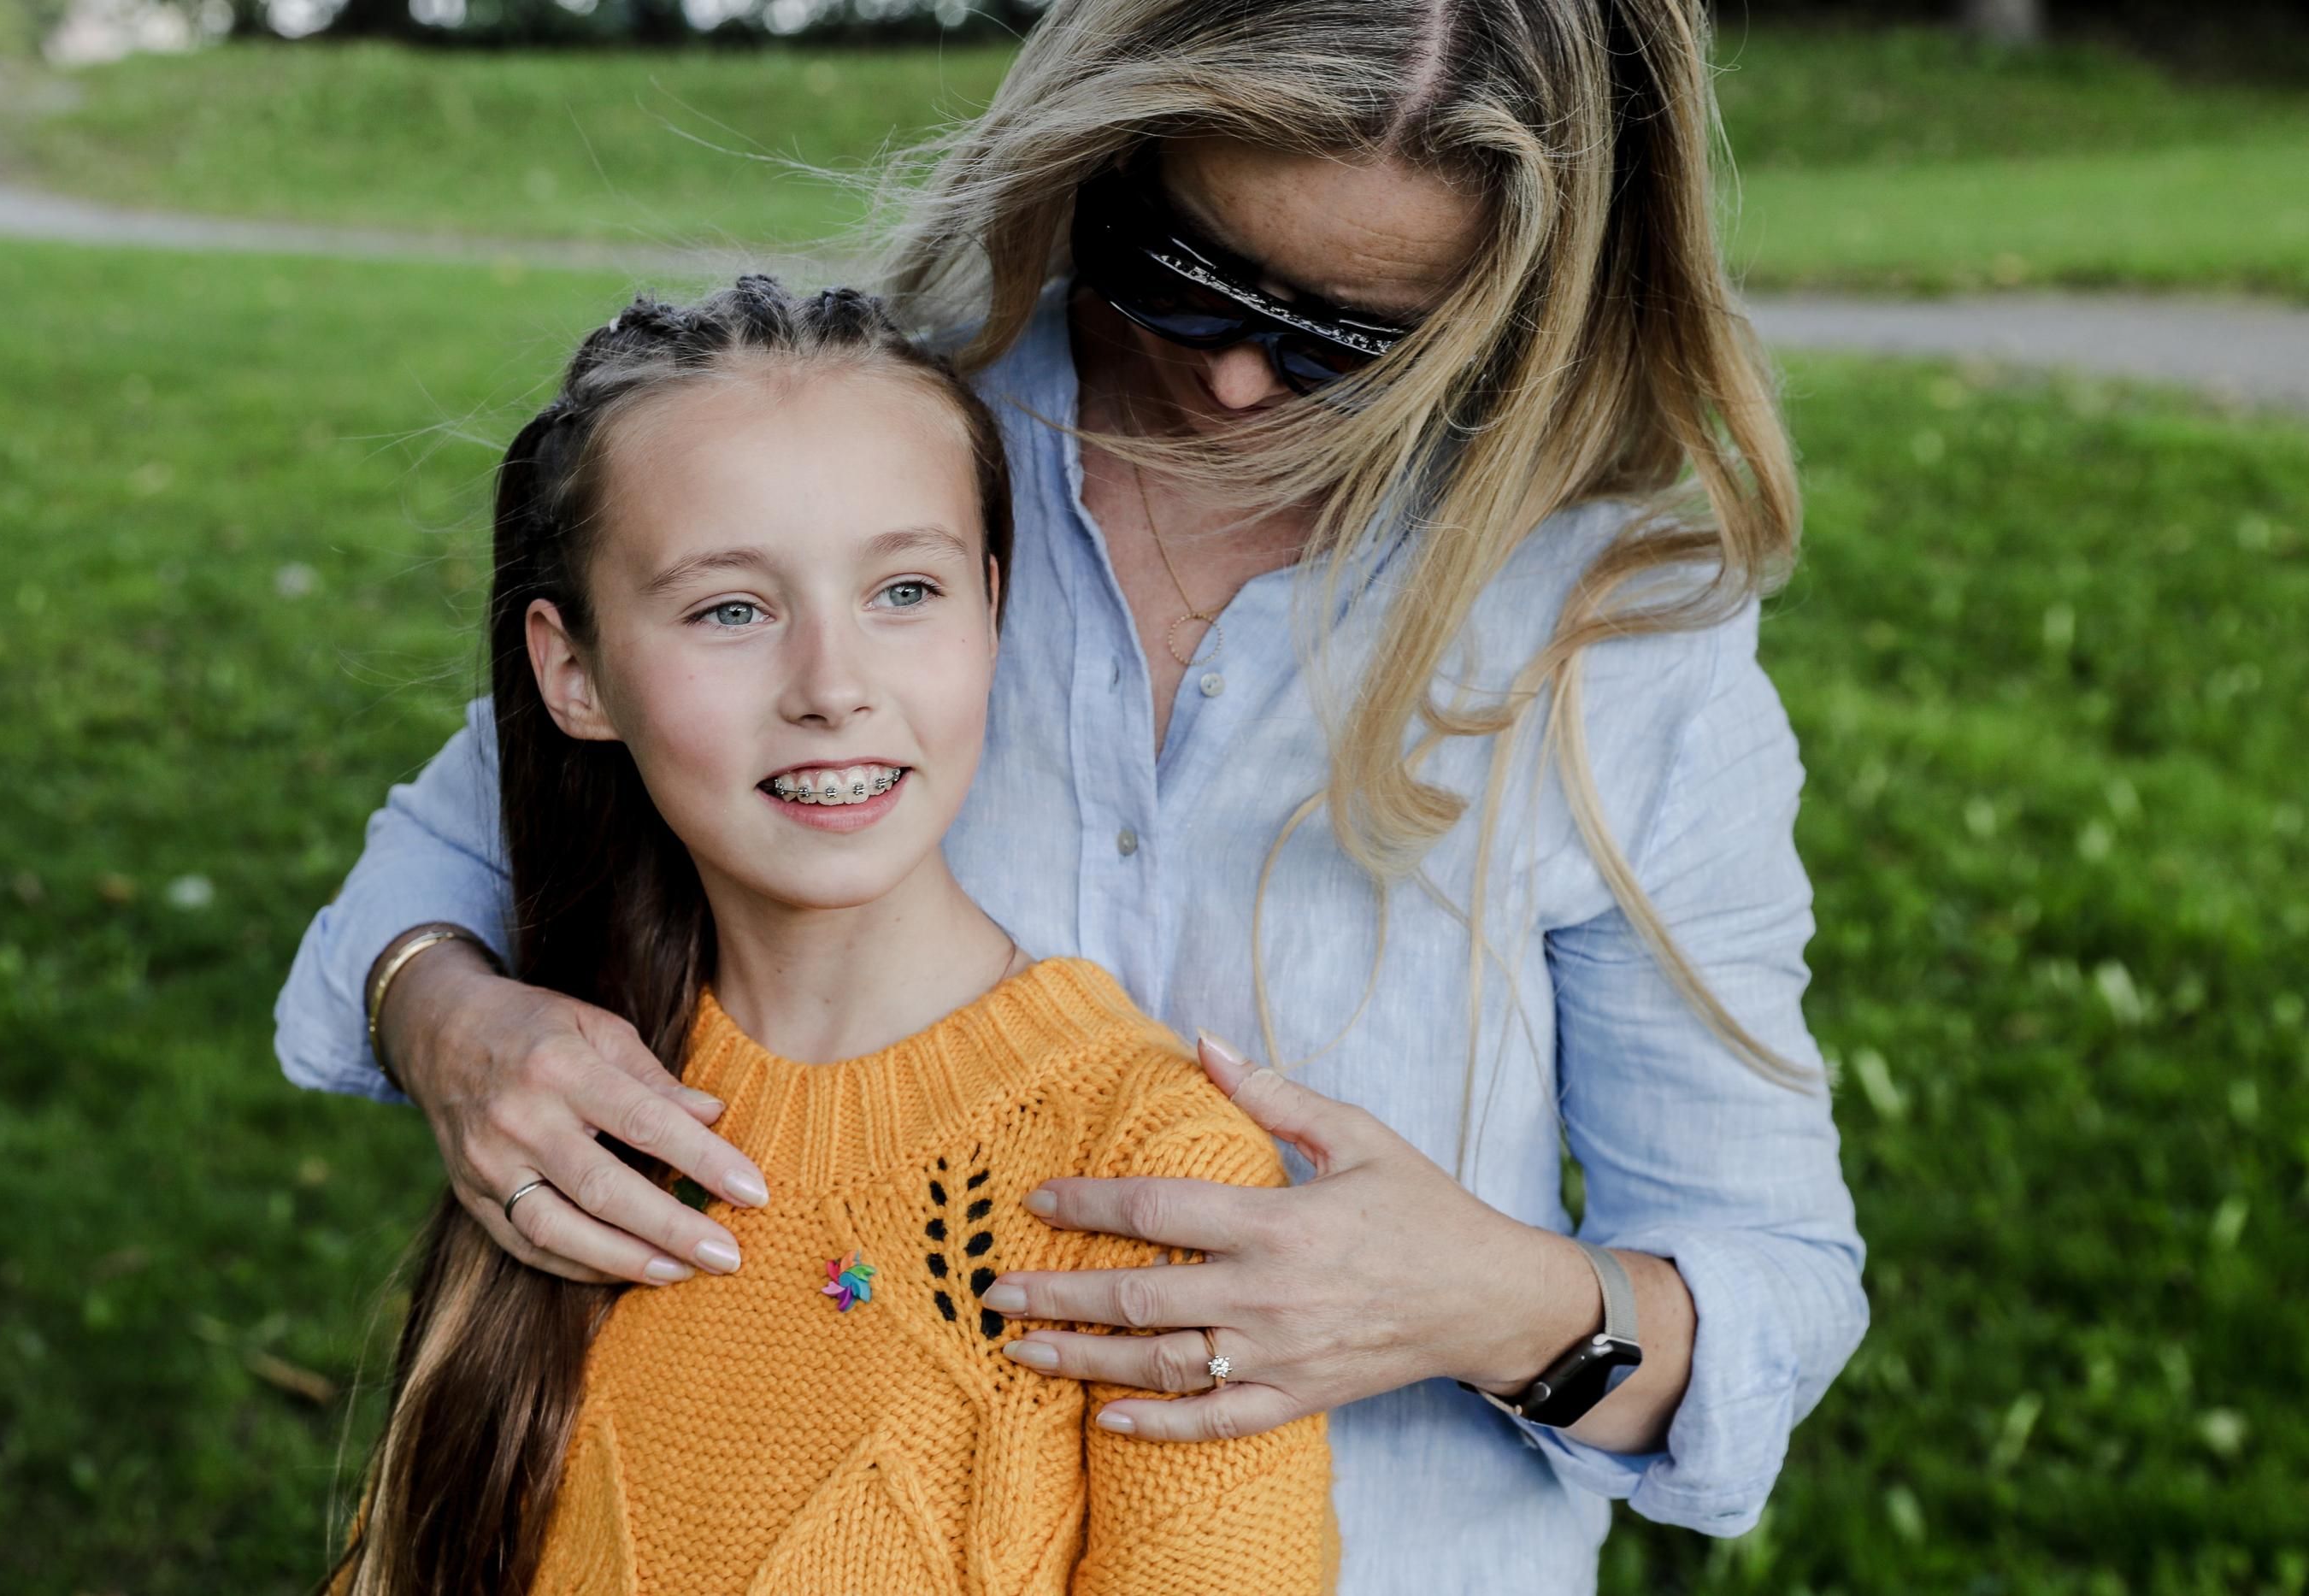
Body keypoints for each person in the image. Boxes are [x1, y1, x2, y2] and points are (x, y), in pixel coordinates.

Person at [280, 3, 1870, 1588]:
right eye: (1181, 273)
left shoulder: (1613, 629)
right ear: (1102, 158)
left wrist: (1495, 1307)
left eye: (1355, 341)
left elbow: (1777, 1278)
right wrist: (446, 1019)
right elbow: (477, 836)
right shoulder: (892, 455)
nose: (1237, 382)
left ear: (1509, 310)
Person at [323, 276, 1339, 1595]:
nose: (834, 687)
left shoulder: (1149, 1175)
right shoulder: (557, 1108)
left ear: (990, 607)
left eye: (903, 589)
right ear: (573, 672)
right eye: (731, 610)